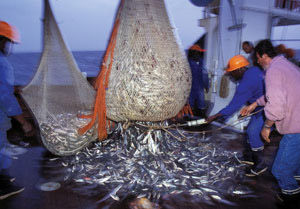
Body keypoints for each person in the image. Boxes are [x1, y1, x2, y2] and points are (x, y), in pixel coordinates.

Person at [241, 39, 300, 208]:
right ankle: (294, 188)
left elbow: (276, 107)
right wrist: (254, 104)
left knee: (280, 170)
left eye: (257, 58)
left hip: (296, 128)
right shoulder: (287, 66)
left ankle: (292, 201)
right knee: (295, 169)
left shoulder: (273, 71)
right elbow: (278, 93)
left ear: (264, 56)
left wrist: (266, 127)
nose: (257, 62)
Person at [206, 55, 267, 177]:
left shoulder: (245, 84)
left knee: (253, 133)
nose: (231, 76)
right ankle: (249, 158)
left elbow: (233, 106)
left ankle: (260, 164)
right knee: (250, 132)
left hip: (266, 108)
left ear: (240, 70)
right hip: (259, 106)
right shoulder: (254, 70)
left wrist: (214, 117)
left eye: (232, 73)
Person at [0, 21, 33, 200]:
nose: (8, 47)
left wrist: (11, 89)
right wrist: (24, 122)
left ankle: (2, 178)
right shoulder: (2, 63)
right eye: (7, 42)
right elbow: (4, 97)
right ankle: (3, 188)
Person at [187, 44, 209, 118]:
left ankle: (202, 117)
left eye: (198, 52)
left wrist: (207, 86)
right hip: (190, 88)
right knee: (190, 103)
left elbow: (205, 75)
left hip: (200, 87)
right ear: (192, 53)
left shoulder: (202, 63)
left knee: (201, 103)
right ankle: (189, 116)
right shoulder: (187, 63)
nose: (196, 54)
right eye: (195, 52)